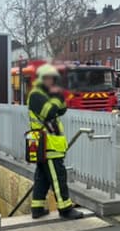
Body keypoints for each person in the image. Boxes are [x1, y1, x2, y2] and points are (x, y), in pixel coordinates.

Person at [28, 64, 84, 220]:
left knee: (42, 178)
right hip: (47, 145)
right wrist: (57, 99)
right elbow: (49, 112)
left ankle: (37, 208)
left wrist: (57, 98)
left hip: (49, 145)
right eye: (48, 78)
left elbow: (63, 109)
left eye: (53, 78)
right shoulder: (36, 95)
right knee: (58, 177)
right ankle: (65, 209)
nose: (51, 81)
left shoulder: (46, 95)